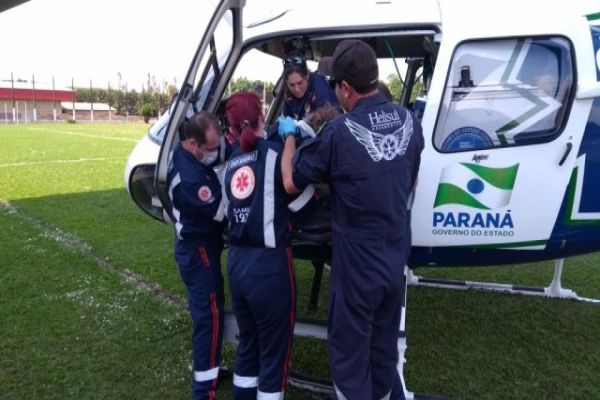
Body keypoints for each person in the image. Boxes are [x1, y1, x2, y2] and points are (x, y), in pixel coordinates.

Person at [280, 40, 424, 400]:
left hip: (358, 262)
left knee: (349, 354)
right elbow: (411, 180)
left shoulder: (340, 132)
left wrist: (289, 140)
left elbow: (289, 181)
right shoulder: (409, 121)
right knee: (382, 349)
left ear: (345, 88)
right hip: (394, 259)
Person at [223, 91, 316, 399]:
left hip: (237, 266)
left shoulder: (231, 162)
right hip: (269, 269)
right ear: (263, 117)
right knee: (274, 357)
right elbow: (303, 205)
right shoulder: (278, 154)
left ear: (232, 128)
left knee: (248, 346)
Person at [166, 111, 227, 400]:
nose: (214, 154)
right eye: (210, 149)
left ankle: (210, 369)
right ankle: (203, 389)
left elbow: (216, 155)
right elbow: (221, 213)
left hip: (201, 247)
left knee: (211, 313)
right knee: (209, 317)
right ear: (193, 144)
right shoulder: (190, 178)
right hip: (197, 249)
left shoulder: (188, 156)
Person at [282, 53, 338, 120]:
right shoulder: (288, 93)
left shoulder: (321, 91)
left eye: (300, 83)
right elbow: (286, 118)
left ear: (307, 76)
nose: (296, 89)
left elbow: (329, 126)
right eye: (291, 85)